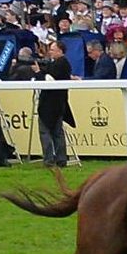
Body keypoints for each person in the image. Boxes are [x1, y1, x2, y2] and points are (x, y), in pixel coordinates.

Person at [32, 40, 76, 168]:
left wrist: (38, 72)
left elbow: (49, 80)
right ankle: (61, 159)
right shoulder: (62, 63)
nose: (50, 52)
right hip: (59, 103)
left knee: (45, 132)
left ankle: (49, 160)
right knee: (58, 133)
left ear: (60, 51)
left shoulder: (60, 63)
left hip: (50, 104)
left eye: (52, 50)